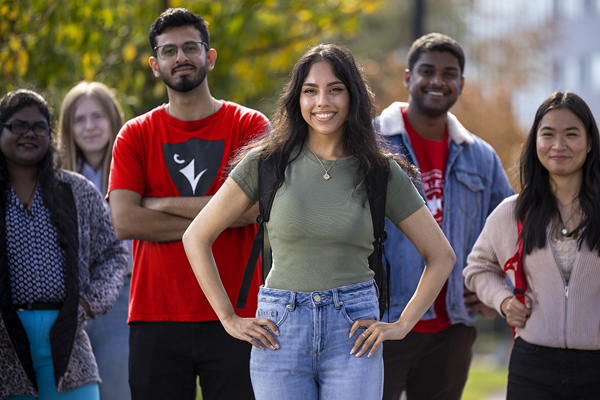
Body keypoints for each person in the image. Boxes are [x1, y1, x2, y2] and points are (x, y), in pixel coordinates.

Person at [182, 44, 456, 400]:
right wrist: (228, 317)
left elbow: (441, 255)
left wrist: (402, 325)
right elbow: (196, 236)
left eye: (335, 89)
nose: (322, 102)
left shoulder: (380, 171)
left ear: (352, 96)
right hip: (279, 330)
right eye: (310, 91)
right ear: (297, 99)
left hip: (353, 332)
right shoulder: (266, 163)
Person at [107, 8, 269, 400]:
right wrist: (219, 218)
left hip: (240, 314)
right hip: (155, 314)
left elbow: (253, 211)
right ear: (155, 64)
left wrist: (160, 204)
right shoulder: (135, 134)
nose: (180, 57)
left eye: (191, 47)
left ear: (209, 57)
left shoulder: (249, 127)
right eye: (169, 51)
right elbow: (126, 221)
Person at [375, 32, 514, 400]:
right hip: (380, 321)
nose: (438, 81)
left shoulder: (479, 156)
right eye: (427, 71)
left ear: (461, 83)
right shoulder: (370, 143)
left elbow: (516, 226)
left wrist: (497, 294)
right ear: (408, 77)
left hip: (451, 327)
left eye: (449, 73)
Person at [464, 91, 600, 399]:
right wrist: (503, 301)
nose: (559, 145)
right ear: (535, 142)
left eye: (571, 135)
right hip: (533, 367)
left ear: (590, 142)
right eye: (548, 134)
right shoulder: (511, 213)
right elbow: (478, 268)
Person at [0, 89, 128, 400]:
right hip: (7, 349)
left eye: (40, 127)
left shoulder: (76, 190)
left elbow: (114, 254)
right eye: (18, 125)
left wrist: (88, 302)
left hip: (70, 341)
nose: (29, 134)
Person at [57, 81, 131, 400]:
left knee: (117, 389)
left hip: (123, 298)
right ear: (67, 128)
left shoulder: (134, 167)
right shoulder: (54, 177)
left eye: (97, 116)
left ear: (113, 118)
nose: (89, 127)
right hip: (68, 303)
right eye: (79, 119)